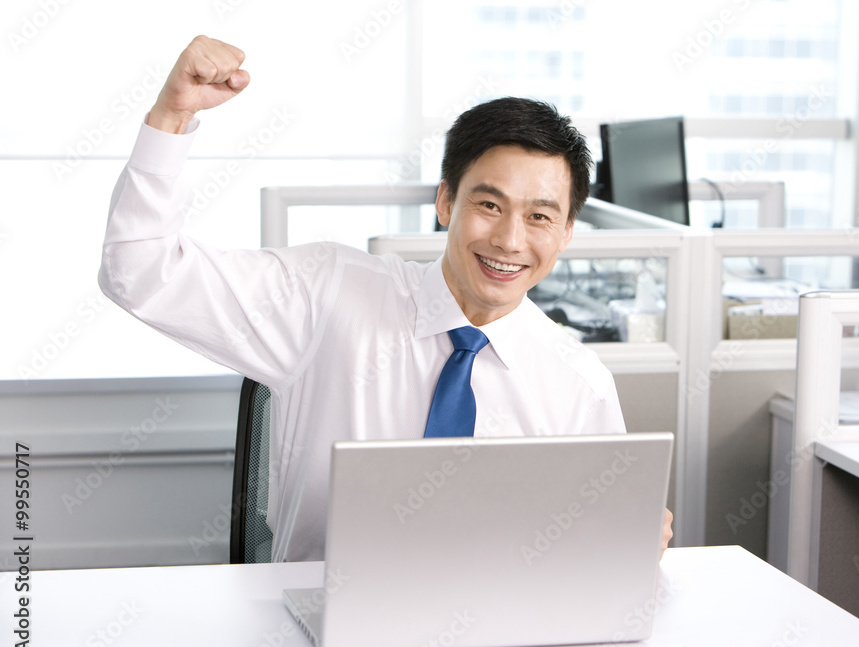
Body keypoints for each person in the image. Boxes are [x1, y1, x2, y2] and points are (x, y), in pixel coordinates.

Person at [99, 35, 672, 561]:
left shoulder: (578, 383)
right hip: (315, 628)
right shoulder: (329, 295)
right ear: (446, 202)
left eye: (540, 216)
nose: (509, 241)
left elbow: (587, 557)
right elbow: (141, 270)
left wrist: (627, 539)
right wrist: (173, 116)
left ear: (567, 233)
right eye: (489, 205)